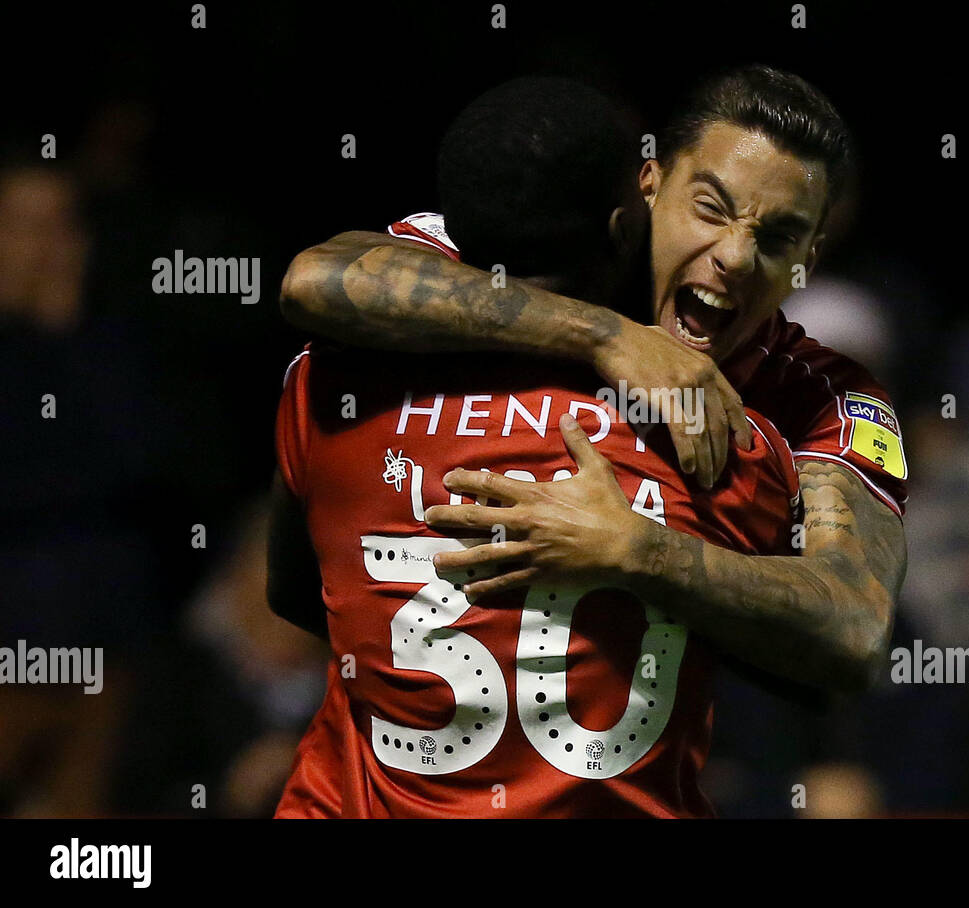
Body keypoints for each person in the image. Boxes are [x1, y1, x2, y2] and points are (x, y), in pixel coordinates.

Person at [268, 77, 801, 818]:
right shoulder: (707, 431)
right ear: (624, 228)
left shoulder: (326, 386)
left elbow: (295, 593)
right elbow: (812, 652)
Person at [280, 65, 909, 691]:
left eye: (779, 237)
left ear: (811, 258)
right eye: (711, 209)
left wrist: (639, 552)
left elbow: (855, 628)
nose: (737, 257)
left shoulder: (825, 397)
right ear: (650, 186)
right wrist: (607, 336)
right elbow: (314, 281)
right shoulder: (513, 257)